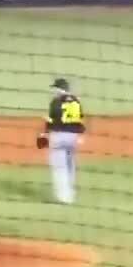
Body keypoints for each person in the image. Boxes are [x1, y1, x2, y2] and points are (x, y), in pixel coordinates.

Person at [38, 77, 85, 205]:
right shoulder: (76, 101)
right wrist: (80, 135)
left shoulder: (56, 101)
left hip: (59, 136)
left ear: (59, 89)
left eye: (55, 88)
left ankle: (64, 197)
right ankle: (71, 194)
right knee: (70, 165)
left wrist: (44, 134)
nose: (53, 90)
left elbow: (51, 120)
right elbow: (80, 119)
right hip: (73, 137)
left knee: (59, 167)